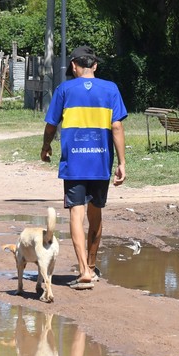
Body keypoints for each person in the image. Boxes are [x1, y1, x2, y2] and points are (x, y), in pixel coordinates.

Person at [40, 46, 127, 290]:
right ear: (95, 66)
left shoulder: (65, 89)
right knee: (96, 213)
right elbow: (117, 127)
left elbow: (51, 124)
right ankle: (91, 264)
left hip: (74, 164)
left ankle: (84, 271)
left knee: (76, 215)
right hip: (100, 163)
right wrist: (121, 162)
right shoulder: (111, 89)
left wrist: (46, 146)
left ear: (75, 66)